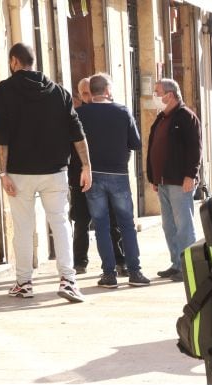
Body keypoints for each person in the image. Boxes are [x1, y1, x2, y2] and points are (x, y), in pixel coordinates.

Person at [0, 43, 87, 302]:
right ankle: (68, 280)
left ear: (14, 61)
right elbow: (77, 131)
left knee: (23, 228)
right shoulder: (59, 92)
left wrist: (3, 172)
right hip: (55, 171)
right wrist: (86, 166)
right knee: (60, 223)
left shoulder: (4, 90)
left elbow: (1, 133)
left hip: (19, 172)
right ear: (33, 62)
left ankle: (24, 283)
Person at [76, 73, 150, 288]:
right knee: (127, 224)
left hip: (93, 175)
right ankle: (135, 272)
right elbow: (135, 143)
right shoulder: (123, 111)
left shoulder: (80, 114)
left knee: (101, 225)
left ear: (93, 91)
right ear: (107, 90)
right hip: (118, 175)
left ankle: (109, 274)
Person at [146, 78, 202, 280]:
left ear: (169, 95)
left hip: (180, 181)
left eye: (157, 91)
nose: (155, 96)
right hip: (162, 181)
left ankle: (189, 268)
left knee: (184, 224)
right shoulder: (161, 117)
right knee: (168, 225)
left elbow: (195, 149)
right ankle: (177, 264)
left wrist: (191, 175)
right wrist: (153, 176)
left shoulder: (187, 117)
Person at [70, 77, 125, 276]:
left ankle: (119, 260)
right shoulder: (76, 116)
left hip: (106, 177)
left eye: (89, 92)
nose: (88, 97)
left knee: (112, 221)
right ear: (80, 95)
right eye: (84, 94)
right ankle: (79, 262)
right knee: (81, 221)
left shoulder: (110, 113)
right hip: (81, 179)